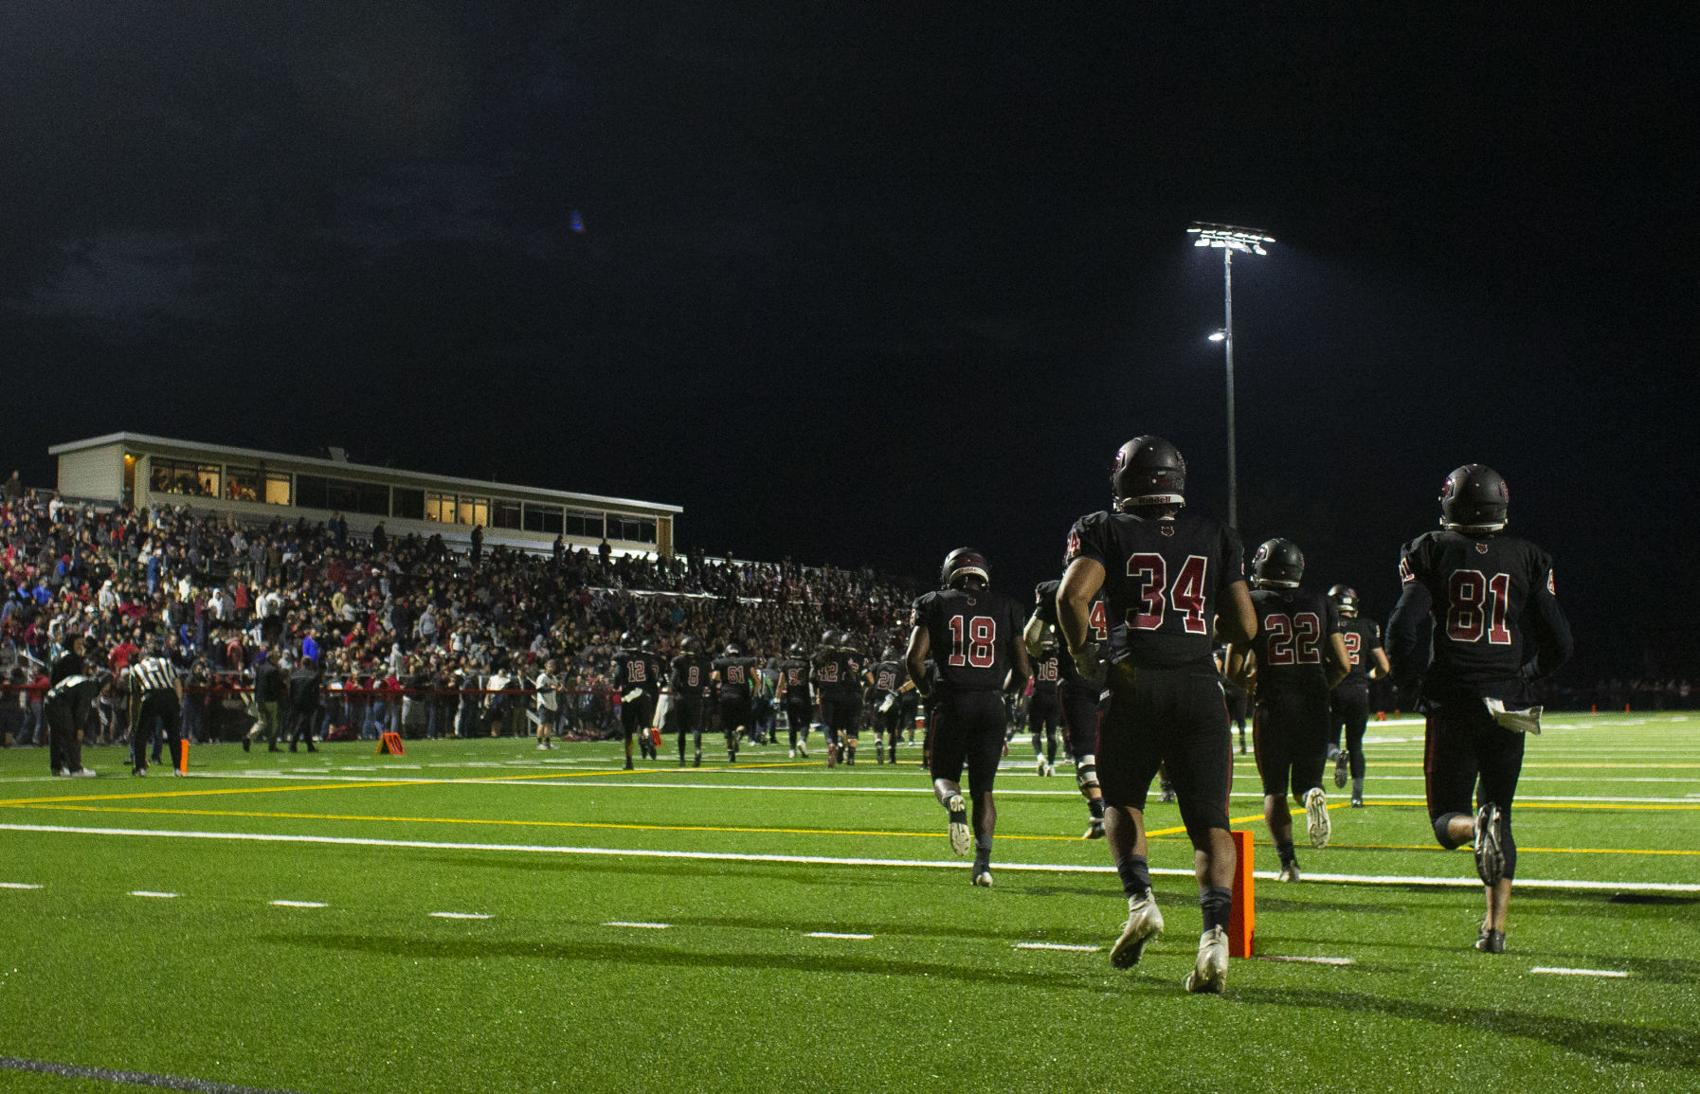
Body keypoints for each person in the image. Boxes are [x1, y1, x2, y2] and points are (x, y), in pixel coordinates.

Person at [1057, 435, 1257, 994]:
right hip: (1198, 687)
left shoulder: (1105, 528)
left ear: (1123, 479)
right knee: (1211, 822)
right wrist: (1199, 633)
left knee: (1122, 801)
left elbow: (1072, 598)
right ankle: (1214, 939)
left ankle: (1141, 901)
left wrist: (1083, 653)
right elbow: (1246, 625)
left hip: (1133, 682)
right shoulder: (1216, 534)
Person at [1387, 464, 1572, 954]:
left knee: (1447, 821)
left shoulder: (1430, 549)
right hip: (1510, 703)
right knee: (1501, 812)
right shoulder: (1529, 556)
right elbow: (1560, 642)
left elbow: (1404, 627)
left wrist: (1410, 683)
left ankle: (1475, 828)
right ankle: (1494, 930)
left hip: (1455, 699)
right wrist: (1525, 674)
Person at [1227, 538, 1351, 882]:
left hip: (1274, 703)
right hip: (1315, 704)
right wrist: (1318, 688)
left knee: (1275, 790)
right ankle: (1313, 794)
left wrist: (1251, 686)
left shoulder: (1252, 602)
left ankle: (1289, 864)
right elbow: (1343, 664)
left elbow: (1232, 669)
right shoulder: (1322, 602)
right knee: (1305, 783)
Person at [907, 548, 1030, 888]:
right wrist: (1005, 694)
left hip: (953, 700)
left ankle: (952, 801)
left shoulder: (934, 602)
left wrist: (927, 692)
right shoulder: (1007, 606)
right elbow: (1023, 670)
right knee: (984, 790)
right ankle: (983, 864)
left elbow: (914, 659)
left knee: (943, 776)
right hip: (991, 704)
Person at [1025, 579, 1110, 838]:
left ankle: (1098, 814)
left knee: (1084, 751)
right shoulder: (1122, 579)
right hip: (1117, 676)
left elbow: (1031, 637)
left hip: (1077, 679)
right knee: (1118, 748)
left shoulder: (1056, 589)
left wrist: (1040, 652)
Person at [1326, 584, 1390, 806]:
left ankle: (1336, 756)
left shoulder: (1328, 626)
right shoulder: (1367, 626)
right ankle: (1357, 797)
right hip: (1359, 692)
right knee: (1356, 745)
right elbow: (1384, 666)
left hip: (1334, 689)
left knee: (1329, 741)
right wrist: (1367, 676)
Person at [128, 644, 183, 776]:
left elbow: (134, 698)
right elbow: (177, 682)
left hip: (150, 695)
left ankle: (140, 768)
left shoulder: (136, 668)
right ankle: (177, 768)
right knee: (174, 733)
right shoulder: (165, 662)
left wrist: (133, 720)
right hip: (168, 694)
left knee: (141, 734)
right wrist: (178, 701)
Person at [612, 634, 662, 769]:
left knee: (629, 731)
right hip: (647, 694)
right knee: (648, 725)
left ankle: (629, 761)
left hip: (629, 696)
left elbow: (617, 676)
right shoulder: (648, 658)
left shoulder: (622, 658)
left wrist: (616, 686)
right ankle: (650, 739)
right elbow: (655, 680)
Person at [45, 665, 105, 777]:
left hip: (49, 700)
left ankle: (57, 767)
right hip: (60, 704)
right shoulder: (90, 686)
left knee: (56, 736)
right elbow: (81, 708)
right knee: (71, 735)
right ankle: (76, 769)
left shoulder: (79, 678)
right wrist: (79, 727)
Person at [711, 642, 760, 763]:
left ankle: (730, 753)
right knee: (743, 723)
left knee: (727, 726)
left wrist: (720, 684)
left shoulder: (721, 662)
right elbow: (757, 681)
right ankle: (738, 733)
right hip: (742, 697)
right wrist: (753, 694)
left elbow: (714, 678)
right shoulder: (747, 662)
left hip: (726, 696)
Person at [668, 637, 711, 766]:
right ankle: (697, 750)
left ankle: (682, 759)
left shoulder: (679, 661)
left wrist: (676, 689)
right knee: (696, 727)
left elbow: (674, 681)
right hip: (696, 697)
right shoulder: (703, 662)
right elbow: (706, 683)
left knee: (681, 730)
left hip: (682, 697)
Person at [1027, 637, 1062, 776]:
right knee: (1052, 734)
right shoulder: (1058, 657)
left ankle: (1040, 756)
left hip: (1038, 695)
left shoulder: (1036, 656)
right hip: (1053, 695)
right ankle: (1051, 765)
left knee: (1035, 733)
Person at [870, 647, 911, 765]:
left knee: (878, 728)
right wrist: (900, 690)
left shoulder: (877, 666)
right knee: (892, 730)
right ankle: (892, 756)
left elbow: (869, 680)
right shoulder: (900, 667)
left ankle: (878, 743)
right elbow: (911, 680)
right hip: (894, 701)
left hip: (879, 701)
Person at [776, 642, 812, 759]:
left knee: (792, 724)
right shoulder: (806, 664)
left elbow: (780, 683)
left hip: (791, 698)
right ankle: (802, 740)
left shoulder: (785, 664)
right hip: (804, 697)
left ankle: (792, 749)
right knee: (805, 721)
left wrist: (777, 698)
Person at [245, 649, 284, 752]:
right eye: (276, 658)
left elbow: (257, 684)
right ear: (271, 658)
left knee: (261, 721)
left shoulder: (260, 669)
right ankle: (272, 745)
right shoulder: (273, 670)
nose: (278, 660)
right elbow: (274, 687)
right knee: (274, 723)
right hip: (271, 700)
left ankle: (249, 737)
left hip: (260, 699)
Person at [287, 655, 325, 752]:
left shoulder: (294, 675)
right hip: (308, 702)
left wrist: (291, 702)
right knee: (303, 722)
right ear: (310, 664)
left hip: (296, 702)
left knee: (305, 723)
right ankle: (293, 743)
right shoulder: (313, 675)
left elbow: (290, 691)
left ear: (301, 663)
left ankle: (310, 746)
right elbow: (316, 691)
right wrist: (316, 703)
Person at [533, 658, 561, 750]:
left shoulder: (554, 678)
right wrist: (551, 688)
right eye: (550, 666)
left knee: (549, 724)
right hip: (543, 703)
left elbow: (556, 688)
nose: (551, 668)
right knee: (542, 723)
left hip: (551, 704)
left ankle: (547, 743)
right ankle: (539, 743)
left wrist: (559, 689)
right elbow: (539, 689)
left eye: (553, 666)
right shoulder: (542, 677)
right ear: (546, 666)